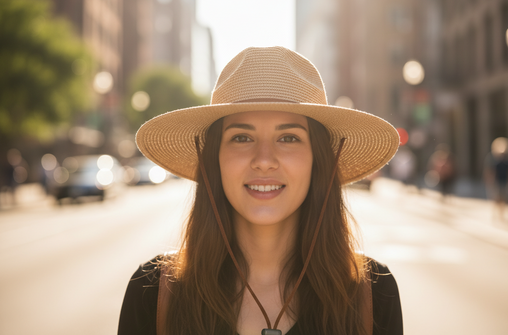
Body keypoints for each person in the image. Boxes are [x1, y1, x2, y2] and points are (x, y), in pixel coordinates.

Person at [118, 47, 403, 335]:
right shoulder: (153, 293)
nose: (264, 160)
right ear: (214, 160)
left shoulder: (373, 295)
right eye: (242, 137)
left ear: (318, 160)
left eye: (288, 137)